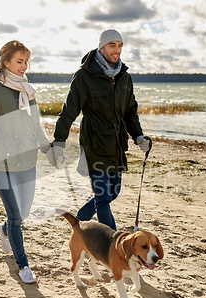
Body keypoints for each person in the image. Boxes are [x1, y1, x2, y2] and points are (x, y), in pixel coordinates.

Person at [48, 29, 151, 231]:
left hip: (117, 146)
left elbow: (130, 111)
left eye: (120, 45)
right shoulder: (84, 76)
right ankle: (114, 244)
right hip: (94, 144)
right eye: (112, 45)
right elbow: (68, 113)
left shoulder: (124, 77)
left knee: (113, 192)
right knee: (103, 198)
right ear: (101, 47)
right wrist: (58, 143)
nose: (117, 50)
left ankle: (77, 222)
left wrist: (138, 135)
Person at [0, 40, 50, 284]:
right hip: (2, 164)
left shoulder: (28, 91)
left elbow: (36, 127)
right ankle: (23, 266)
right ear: (5, 62)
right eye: (19, 61)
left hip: (27, 160)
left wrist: (49, 151)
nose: (24, 67)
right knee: (16, 215)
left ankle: (5, 229)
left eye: (26, 62)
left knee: (23, 213)